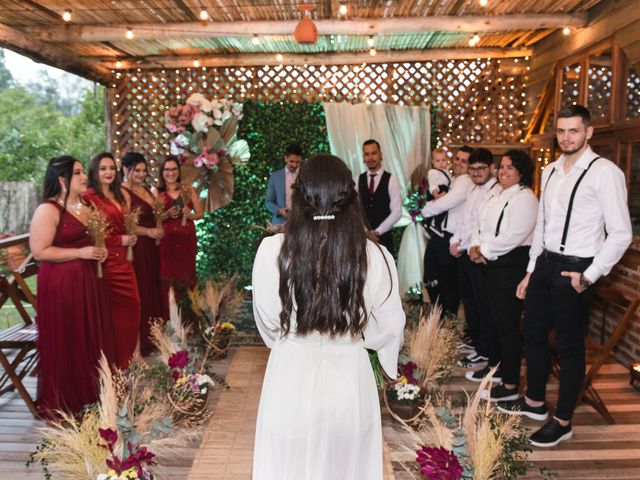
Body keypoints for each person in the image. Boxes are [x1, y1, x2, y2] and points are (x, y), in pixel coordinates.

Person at [252, 154, 406, 480]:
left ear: (299, 195)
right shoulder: (374, 255)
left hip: (289, 378)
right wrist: (361, 339)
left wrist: (290, 340)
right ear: (351, 196)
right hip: (349, 382)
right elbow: (391, 325)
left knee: (287, 469)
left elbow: (267, 321)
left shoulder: (271, 251)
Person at [498, 105, 632, 448]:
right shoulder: (552, 170)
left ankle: (563, 421)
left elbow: (621, 233)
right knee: (532, 333)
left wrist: (589, 275)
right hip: (544, 263)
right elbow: (542, 224)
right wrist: (530, 271)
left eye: (573, 131)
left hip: (577, 268)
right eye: (561, 131)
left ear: (588, 132)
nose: (566, 137)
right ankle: (535, 403)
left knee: (570, 348)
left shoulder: (605, 173)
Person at [30, 156, 115, 419]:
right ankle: (67, 401)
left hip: (88, 283)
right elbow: (39, 251)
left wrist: (97, 251)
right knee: (70, 336)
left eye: (82, 171)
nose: (84, 177)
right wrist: (82, 252)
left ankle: (92, 395)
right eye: (77, 173)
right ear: (62, 180)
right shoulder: (48, 210)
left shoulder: (86, 205)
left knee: (89, 336)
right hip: (61, 285)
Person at [466, 150, 538, 403]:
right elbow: (478, 222)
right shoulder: (495, 192)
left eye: (511, 167)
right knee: (491, 318)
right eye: (502, 166)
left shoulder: (525, 197)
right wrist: (474, 247)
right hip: (487, 261)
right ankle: (495, 368)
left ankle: (510, 382)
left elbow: (514, 235)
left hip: (510, 264)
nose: (504, 171)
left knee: (506, 325)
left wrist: (483, 251)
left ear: (521, 172)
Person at [84, 152, 141, 370]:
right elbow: (93, 233)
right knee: (114, 316)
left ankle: (126, 361)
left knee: (133, 308)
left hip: (125, 263)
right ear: (94, 172)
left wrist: (131, 235)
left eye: (111, 168)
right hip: (107, 264)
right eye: (103, 168)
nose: (108, 172)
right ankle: (114, 365)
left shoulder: (119, 195)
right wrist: (120, 239)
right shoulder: (89, 197)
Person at [448, 148, 497, 365]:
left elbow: (482, 226)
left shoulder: (495, 191)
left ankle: (484, 349)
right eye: (472, 169)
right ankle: (477, 344)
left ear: (491, 168)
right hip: (464, 254)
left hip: (479, 256)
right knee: (469, 303)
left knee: (482, 305)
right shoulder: (472, 189)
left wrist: (465, 245)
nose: (476, 173)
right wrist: (454, 242)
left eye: (480, 169)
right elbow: (463, 220)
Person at [421, 146, 474, 316]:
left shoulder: (465, 181)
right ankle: (440, 319)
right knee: (434, 279)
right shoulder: (453, 179)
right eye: (457, 158)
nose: (458, 162)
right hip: (441, 237)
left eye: (464, 161)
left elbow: (446, 203)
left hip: (448, 239)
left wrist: (425, 210)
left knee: (444, 283)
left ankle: (445, 323)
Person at [121, 152, 165, 356]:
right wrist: (148, 232)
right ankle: (140, 343)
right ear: (125, 169)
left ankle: (153, 336)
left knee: (152, 288)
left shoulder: (147, 189)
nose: (141, 174)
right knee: (141, 291)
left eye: (143, 171)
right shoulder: (124, 192)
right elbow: (126, 224)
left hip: (152, 248)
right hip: (137, 247)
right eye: (136, 170)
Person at [158, 155, 203, 320]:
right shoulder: (157, 192)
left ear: (178, 171)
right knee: (168, 281)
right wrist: (167, 214)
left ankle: (188, 322)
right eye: (167, 169)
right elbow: (153, 219)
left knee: (187, 280)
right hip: (167, 244)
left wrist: (189, 215)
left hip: (186, 242)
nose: (170, 173)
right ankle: (169, 320)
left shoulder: (187, 189)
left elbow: (200, 214)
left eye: (174, 169)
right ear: (162, 172)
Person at [356, 139, 402, 253]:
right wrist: (366, 232)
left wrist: (377, 232)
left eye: (374, 153)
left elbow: (397, 212)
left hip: (384, 239)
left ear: (380, 154)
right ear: (363, 157)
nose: (370, 157)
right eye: (367, 154)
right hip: (363, 239)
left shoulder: (392, 180)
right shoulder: (357, 180)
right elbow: (355, 210)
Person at [264, 144, 303, 228]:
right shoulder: (275, 176)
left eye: (297, 162)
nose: (294, 165)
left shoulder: (304, 175)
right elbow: (268, 202)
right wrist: (280, 210)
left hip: (302, 222)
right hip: (280, 224)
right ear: (285, 158)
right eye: (291, 161)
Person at [424, 148, 453, 239]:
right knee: (439, 210)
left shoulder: (447, 172)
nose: (441, 163)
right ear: (433, 162)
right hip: (437, 192)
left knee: (443, 210)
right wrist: (436, 193)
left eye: (443, 160)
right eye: (438, 161)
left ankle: (434, 226)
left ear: (447, 161)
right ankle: (434, 226)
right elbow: (432, 184)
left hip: (444, 192)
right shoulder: (433, 172)